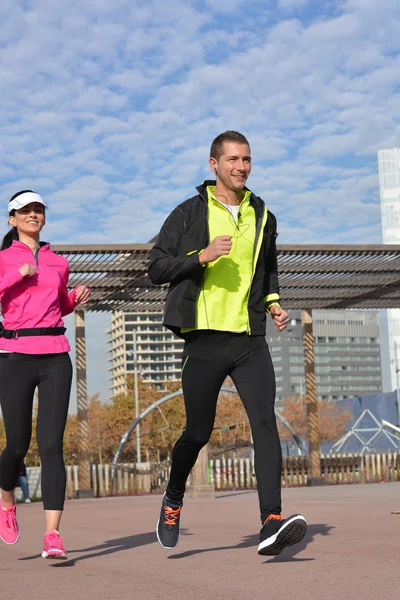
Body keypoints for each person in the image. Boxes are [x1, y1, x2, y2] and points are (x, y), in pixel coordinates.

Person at [148, 131, 307, 556]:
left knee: (265, 423)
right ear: (214, 164)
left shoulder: (263, 214)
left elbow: (267, 269)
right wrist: (200, 256)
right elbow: (156, 268)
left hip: (249, 338)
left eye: (247, 159)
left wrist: (273, 303)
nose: (241, 166)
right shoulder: (187, 213)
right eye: (233, 159)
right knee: (198, 431)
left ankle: (271, 519)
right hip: (203, 338)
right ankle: (174, 495)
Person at [0, 190, 90, 559]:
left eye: (38, 210)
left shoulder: (58, 261)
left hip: (56, 355)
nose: (33, 215)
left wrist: (74, 298)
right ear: (13, 219)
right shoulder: (4, 258)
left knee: (52, 445)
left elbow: (56, 307)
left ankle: (52, 534)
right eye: (26, 211)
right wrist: (16, 276)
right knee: (18, 445)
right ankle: (6, 500)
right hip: (14, 355)